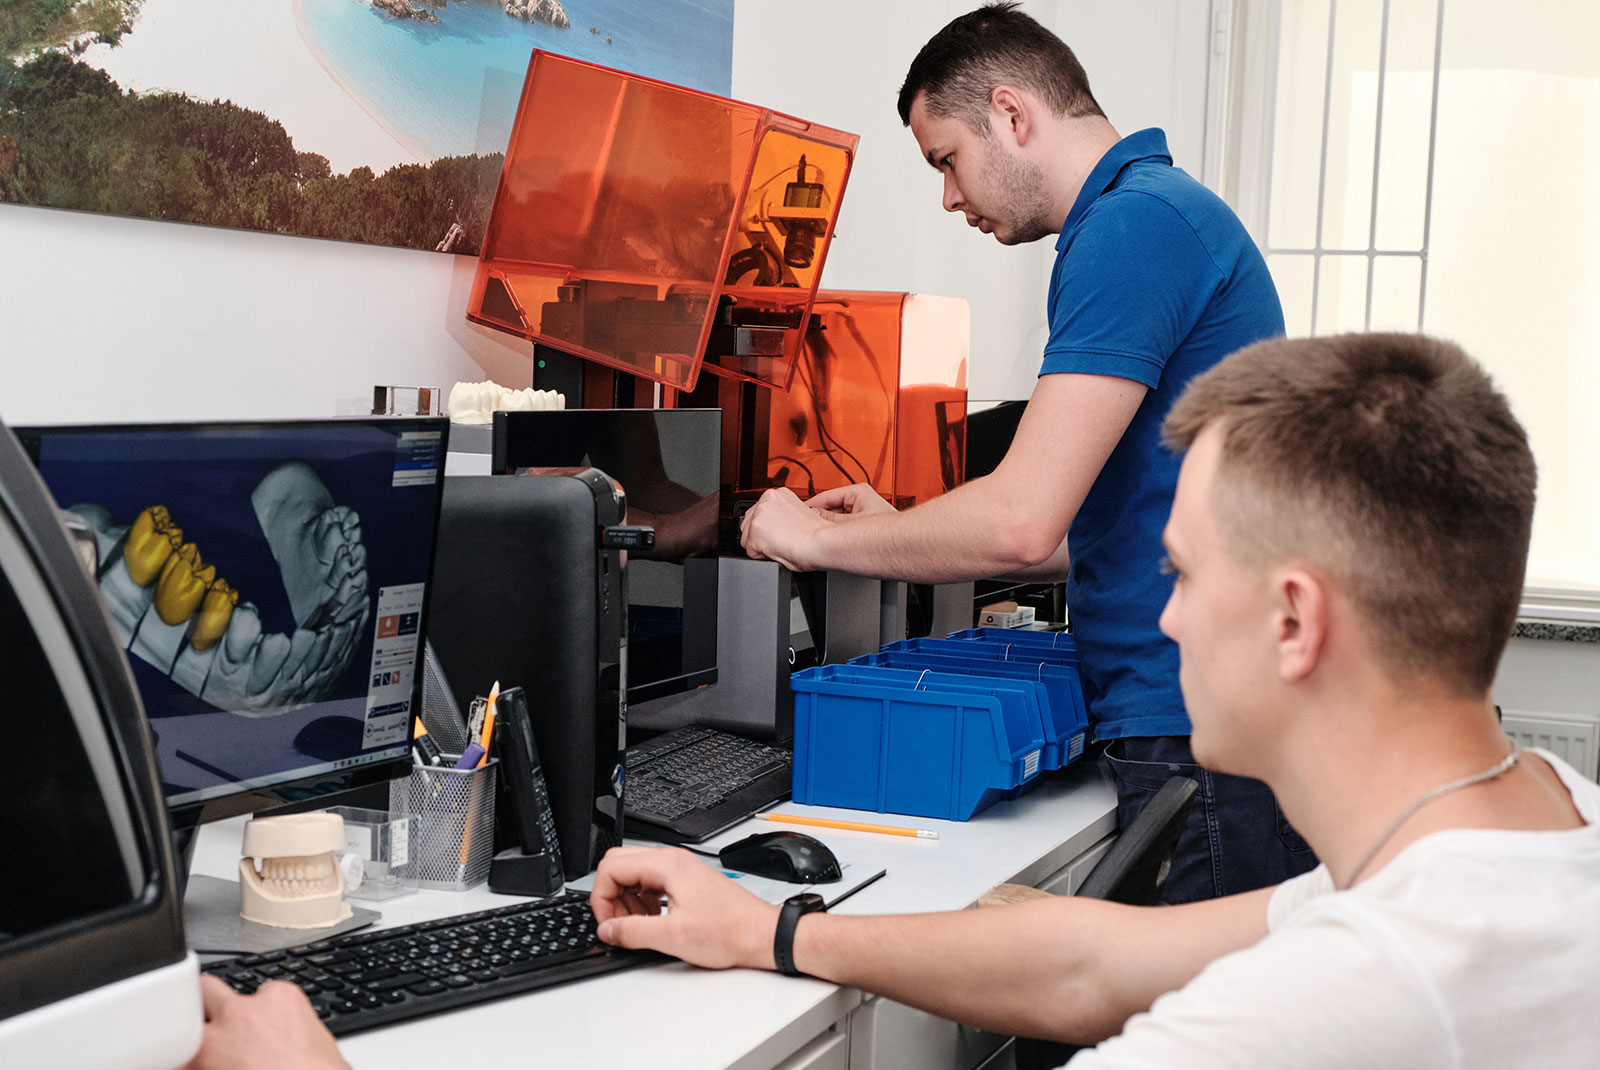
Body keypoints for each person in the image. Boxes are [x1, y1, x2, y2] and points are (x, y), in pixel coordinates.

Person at [595, 332, 1600, 1066]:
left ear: (1294, 620)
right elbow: (1092, 961)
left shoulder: (1352, 986)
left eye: (1182, 574)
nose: (1162, 620)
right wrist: (770, 931)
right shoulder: (1535, 818)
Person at [739, 2, 1310, 904]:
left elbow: (1017, 525)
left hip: (1200, 721)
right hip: (1200, 713)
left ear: (1011, 113)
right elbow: (1098, 534)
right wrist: (909, 527)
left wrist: (813, 541)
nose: (950, 197)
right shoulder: (1155, 217)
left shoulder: (1133, 229)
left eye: (947, 161)